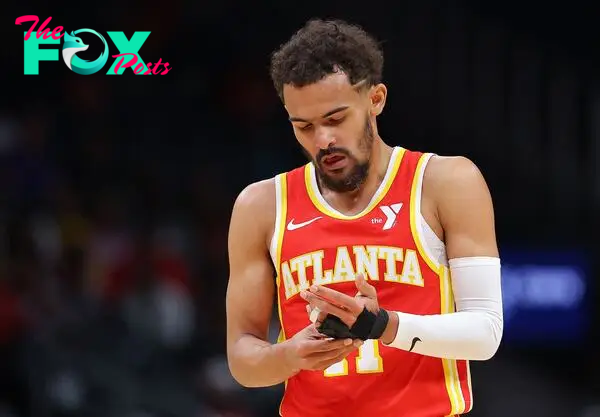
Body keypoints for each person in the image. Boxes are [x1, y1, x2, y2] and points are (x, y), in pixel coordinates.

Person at [226, 18, 503, 417]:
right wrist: (289, 355)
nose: (322, 140)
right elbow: (242, 357)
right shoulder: (261, 205)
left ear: (376, 99)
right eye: (304, 126)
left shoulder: (445, 182)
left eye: (336, 119)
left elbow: (485, 333)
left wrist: (383, 326)